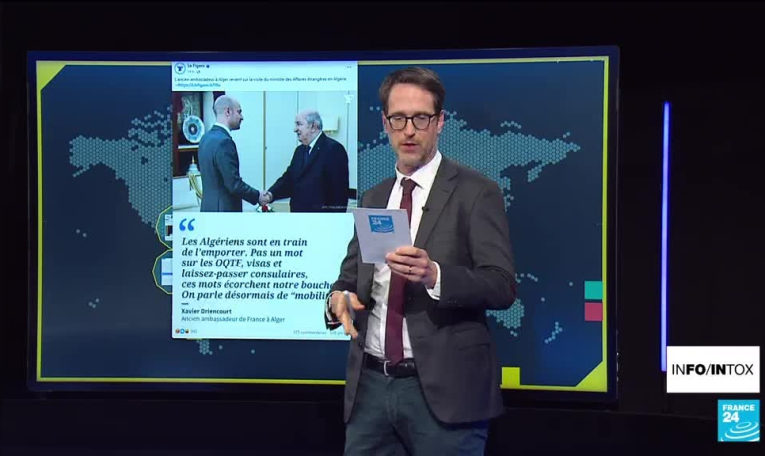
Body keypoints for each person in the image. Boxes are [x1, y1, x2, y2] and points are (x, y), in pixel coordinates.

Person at [325, 67, 517, 455]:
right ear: (385, 124)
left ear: (440, 122)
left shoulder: (477, 193)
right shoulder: (374, 198)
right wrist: (337, 301)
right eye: (398, 119)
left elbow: (501, 285)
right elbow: (348, 280)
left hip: (446, 395)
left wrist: (436, 276)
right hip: (370, 392)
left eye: (421, 118)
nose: (409, 130)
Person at [260, 109, 350, 212]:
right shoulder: (300, 151)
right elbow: (289, 179)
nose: (295, 129)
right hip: (298, 217)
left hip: (321, 219)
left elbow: (339, 194)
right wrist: (270, 195)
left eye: (299, 124)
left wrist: (334, 220)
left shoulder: (334, 149)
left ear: (313, 127)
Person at [197, 95, 261, 212]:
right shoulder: (224, 142)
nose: (242, 117)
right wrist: (258, 196)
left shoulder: (205, 138)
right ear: (228, 112)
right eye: (239, 112)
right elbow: (234, 185)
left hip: (208, 208)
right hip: (224, 211)